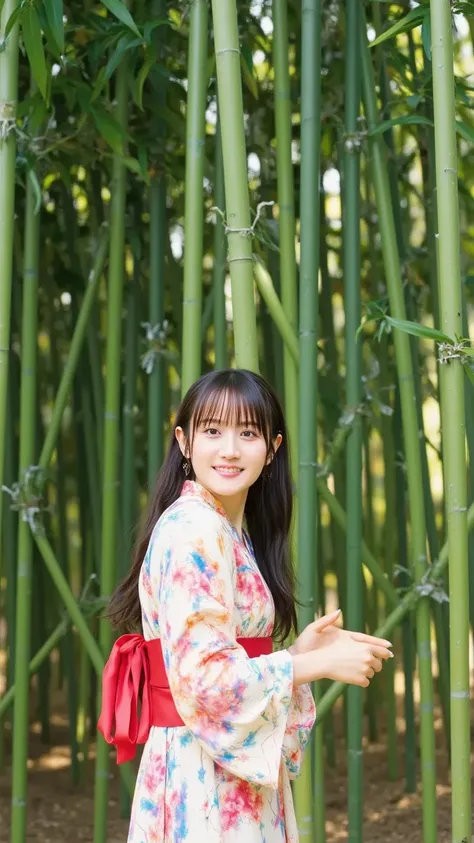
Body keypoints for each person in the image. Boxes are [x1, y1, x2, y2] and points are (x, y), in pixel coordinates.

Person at [100, 368, 393, 843]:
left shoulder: (228, 530)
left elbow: (225, 658)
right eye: (212, 430)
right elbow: (204, 680)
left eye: (248, 433)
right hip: (201, 774)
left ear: (272, 448)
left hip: (221, 768)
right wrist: (315, 665)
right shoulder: (192, 529)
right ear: (184, 442)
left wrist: (295, 653)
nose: (230, 449)